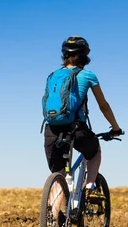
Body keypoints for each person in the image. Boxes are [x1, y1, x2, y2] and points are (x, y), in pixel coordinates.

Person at [43, 36, 123, 198]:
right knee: (94, 152)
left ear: (64, 56)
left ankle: (53, 217)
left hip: (51, 130)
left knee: (59, 178)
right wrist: (115, 128)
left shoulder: (52, 76)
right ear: (84, 56)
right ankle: (90, 187)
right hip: (76, 129)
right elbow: (103, 106)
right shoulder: (88, 75)